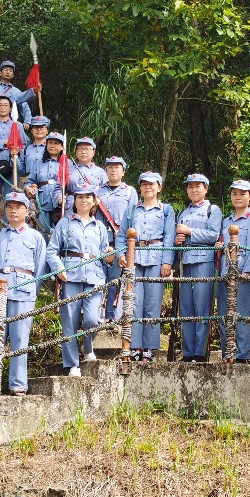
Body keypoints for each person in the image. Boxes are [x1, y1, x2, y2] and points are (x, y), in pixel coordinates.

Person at [0, 192, 47, 396]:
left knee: (20, 339)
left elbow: (40, 270)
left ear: (27, 211)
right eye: (9, 207)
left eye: (18, 207)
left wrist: (31, 291)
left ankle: (17, 384)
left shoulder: (36, 237)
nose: (13, 211)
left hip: (24, 292)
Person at [47, 183, 115, 376]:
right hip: (71, 275)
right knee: (69, 321)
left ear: (94, 201)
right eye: (80, 197)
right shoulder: (64, 223)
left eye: (88, 197)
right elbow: (51, 251)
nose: (84, 201)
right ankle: (72, 364)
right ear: (74, 201)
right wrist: (58, 267)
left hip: (94, 276)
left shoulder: (100, 227)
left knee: (94, 319)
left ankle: (88, 345)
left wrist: (110, 255)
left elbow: (106, 256)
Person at [120, 171, 175, 361]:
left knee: (152, 304)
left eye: (151, 184)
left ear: (159, 187)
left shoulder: (166, 210)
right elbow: (122, 235)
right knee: (135, 304)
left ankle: (150, 348)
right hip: (134, 259)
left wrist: (167, 261)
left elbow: (169, 237)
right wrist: (121, 255)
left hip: (156, 258)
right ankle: (135, 346)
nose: (147, 187)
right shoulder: (132, 210)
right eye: (144, 184)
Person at [175, 173, 221, 361]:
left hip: (204, 261)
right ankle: (188, 353)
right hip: (185, 262)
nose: (193, 190)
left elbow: (213, 235)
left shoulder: (212, 210)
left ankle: (200, 353)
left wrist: (189, 232)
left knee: (202, 307)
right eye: (190, 186)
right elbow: (178, 237)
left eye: (197, 186)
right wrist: (178, 239)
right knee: (186, 308)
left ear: (205, 188)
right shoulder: (183, 213)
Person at [214, 180, 250, 363]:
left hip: (243, 273)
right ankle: (228, 353)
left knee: (242, 314)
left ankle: (241, 356)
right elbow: (223, 246)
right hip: (225, 273)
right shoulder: (226, 221)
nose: (238, 197)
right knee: (224, 315)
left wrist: (248, 271)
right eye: (234, 194)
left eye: (242, 194)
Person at [98, 156, 136, 318]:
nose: (113, 170)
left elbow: (133, 218)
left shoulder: (129, 191)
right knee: (98, 279)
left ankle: (112, 317)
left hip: (118, 241)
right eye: (110, 167)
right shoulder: (97, 191)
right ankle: (96, 316)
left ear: (123, 172)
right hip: (100, 240)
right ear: (105, 171)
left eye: (117, 167)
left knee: (116, 281)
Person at [0, 95, 30, 223]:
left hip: (12, 162)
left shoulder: (17, 125)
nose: (2, 107)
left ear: (10, 108)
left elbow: (24, 143)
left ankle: (9, 223)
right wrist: (5, 143)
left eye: (5, 105)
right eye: (0, 105)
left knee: (11, 195)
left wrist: (18, 151)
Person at [25, 132, 66, 230]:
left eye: (56, 143)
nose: (52, 146)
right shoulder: (38, 164)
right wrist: (28, 188)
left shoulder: (66, 163)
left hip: (60, 205)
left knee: (59, 231)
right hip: (42, 202)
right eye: (50, 143)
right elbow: (29, 181)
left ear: (62, 147)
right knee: (42, 230)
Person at [64, 137, 108, 216]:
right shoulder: (67, 169)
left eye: (87, 149)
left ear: (93, 152)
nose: (83, 152)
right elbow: (58, 187)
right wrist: (59, 197)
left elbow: (106, 191)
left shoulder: (100, 172)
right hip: (71, 208)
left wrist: (99, 200)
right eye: (80, 149)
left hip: (93, 209)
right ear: (76, 152)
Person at [0, 60, 35, 127]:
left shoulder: (16, 91)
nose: (8, 72)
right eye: (5, 70)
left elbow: (25, 106)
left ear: (13, 75)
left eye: (10, 71)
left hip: (7, 123)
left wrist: (27, 121)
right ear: (0, 73)